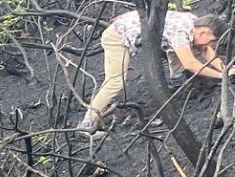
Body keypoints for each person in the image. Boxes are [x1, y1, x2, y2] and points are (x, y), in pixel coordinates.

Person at [78, 12, 231, 132]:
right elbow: (190, 63)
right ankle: (87, 123)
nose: (211, 44)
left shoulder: (194, 22)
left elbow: (205, 49)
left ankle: (176, 81)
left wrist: (225, 68)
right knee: (115, 81)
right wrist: (220, 76)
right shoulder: (181, 30)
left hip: (137, 28)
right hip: (117, 36)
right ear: (204, 32)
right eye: (212, 40)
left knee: (179, 48)